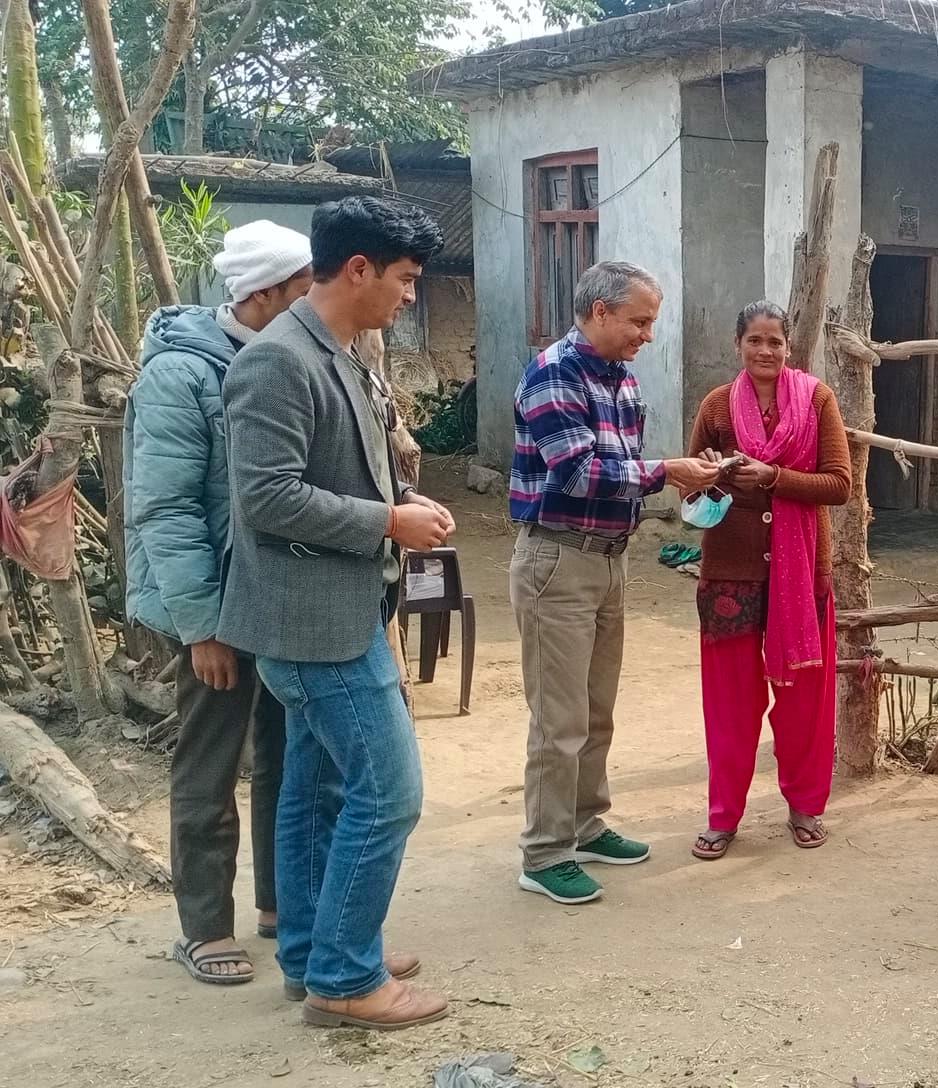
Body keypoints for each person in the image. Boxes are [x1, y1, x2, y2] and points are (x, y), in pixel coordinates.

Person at [220, 195, 455, 1031]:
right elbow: (265, 497)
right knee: (389, 792)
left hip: (336, 605)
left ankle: (315, 953)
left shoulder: (338, 351)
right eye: (403, 279)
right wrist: (388, 522)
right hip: (309, 621)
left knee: (317, 788)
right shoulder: (280, 360)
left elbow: (333, 470)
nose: (408, 296)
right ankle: (347, 980)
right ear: (357, 269)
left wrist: (398, 501)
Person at [125, 220, 312, 986]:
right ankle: (203, 925)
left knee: (280, 750)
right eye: (304, 289)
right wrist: (202, 626)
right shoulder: (180, 376)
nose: (314, 302)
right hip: (209, 606)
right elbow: (164, 511)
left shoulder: (284, 356)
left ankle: (275, 903)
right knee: (209, 758)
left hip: (272, 597)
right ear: (265, 293)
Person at [510, 261, 720, 903]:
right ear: (599, 311)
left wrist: (679, 475)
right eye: (639, 320)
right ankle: (544, 854)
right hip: (558, 558)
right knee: (559, 716)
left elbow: (623, 466)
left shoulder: (620, 379)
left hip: (607, 558)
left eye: (650, 321)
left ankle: (584, 823)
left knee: (596, 706)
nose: (647, 334)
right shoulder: (552, 375)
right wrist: (668, 471)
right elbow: (576, 472)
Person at [682, 301, 851, 858]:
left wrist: (774, 476)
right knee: (728, 703)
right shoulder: (716, 406)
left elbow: (839, 484)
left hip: (803, 574)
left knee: (804, 700)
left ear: (789, 347)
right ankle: (723, 816)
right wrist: (707, 472)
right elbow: (688, 491)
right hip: (730, 570)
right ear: (739, 345)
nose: (766, 351)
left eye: (775, 341)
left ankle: (805, 808)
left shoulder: (817, 400)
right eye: (755, 340)